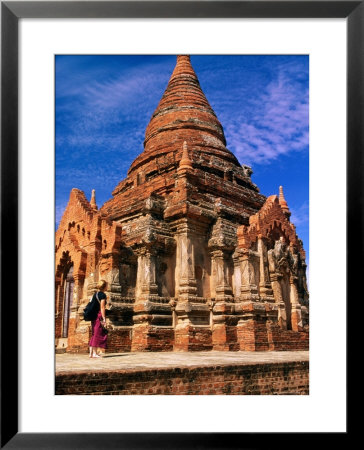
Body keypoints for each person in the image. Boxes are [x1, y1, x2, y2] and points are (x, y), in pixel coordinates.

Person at [89, 279, 108, 358]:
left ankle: (91, 353)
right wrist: (104, 318)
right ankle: (94, 353)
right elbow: (102, 307)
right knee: (97, 334)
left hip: (93, 316)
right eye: (107, 285)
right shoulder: (102, 295)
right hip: (98, 316)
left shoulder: (95, 294)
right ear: (104, 286)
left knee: (94, 333)